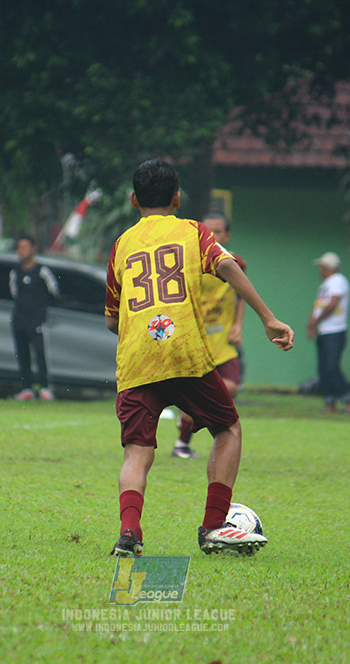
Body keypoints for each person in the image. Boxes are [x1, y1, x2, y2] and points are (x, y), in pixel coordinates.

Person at [105, 159, 294, 557]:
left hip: (138, 361)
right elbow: (227, 264)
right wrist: (268, 317)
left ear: (133, 200)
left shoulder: (121, 245)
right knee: (228, 429)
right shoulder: (192, 231)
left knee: (137, 452)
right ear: (176, 198)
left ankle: (129, 532)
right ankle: (212, 527)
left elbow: (111, 320)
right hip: (185, 354)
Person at [172, 211, 245, 459]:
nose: (213, 235)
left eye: (219, 231)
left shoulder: (235, 263)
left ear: (227, 235)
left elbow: (241, 292)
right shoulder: (192, 264)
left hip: (223, 343)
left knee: (231, 387)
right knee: (198, 397)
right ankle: (182, 444)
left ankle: (190, 415)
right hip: (197, 345)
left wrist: (238, 324)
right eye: (208, 230)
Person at [9, 236, 59, 401]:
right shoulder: (15, 272)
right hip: (19, 320)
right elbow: (14, 294)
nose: (22, 250)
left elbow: (54, 293)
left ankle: (44, 387)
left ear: (33, 249)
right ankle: (27, 388)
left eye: (25, 247)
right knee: (22, 354)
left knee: (40, 354)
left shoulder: (42, 271)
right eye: (19, 247)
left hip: (37, 321)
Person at [306, 252, 350, 414]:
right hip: (323, 332)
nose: (320, 270)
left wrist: (315, 321)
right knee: (323, 368)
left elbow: (332, 305)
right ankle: (329, 403)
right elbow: (319, 305)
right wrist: (312, 324)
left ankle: (347, 401)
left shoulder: (338, 281)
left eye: (321, 267)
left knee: (331, 366)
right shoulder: (326, 285)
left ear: (328, 268)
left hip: (335, 331)